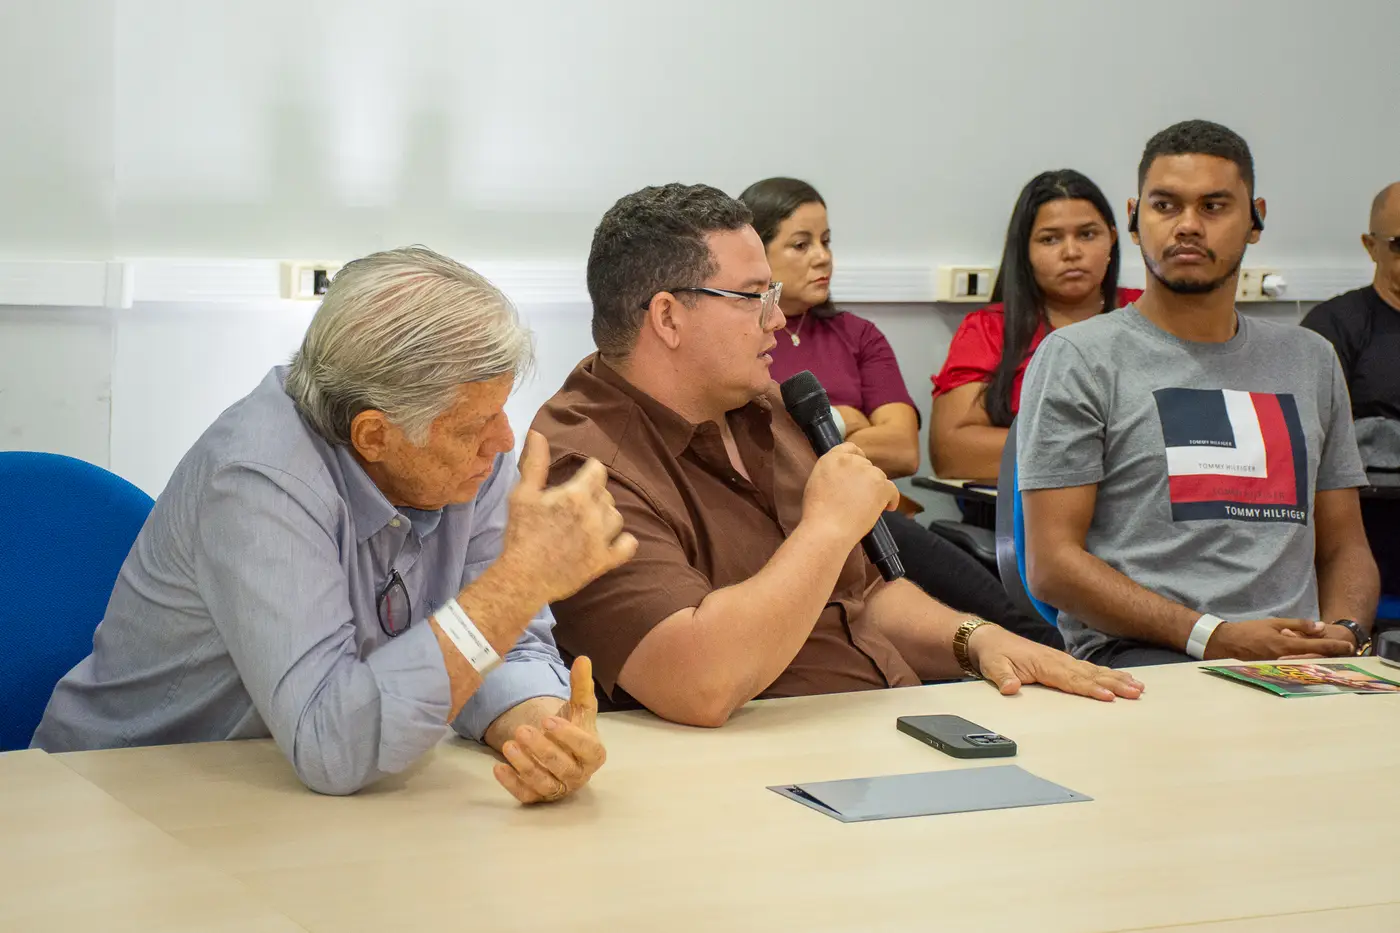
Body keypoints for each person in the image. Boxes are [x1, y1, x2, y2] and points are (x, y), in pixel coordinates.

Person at [531, 183, 1143, 727]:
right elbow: (700, 684)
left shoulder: (767, 407)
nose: (777, 320)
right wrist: (827, 526)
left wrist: (977, 641)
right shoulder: (583, 466)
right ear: (668, 317)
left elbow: (867, 595)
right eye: (752, 296)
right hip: (761, 772)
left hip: (885, 721)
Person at [33, 247, 633, 801]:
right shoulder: (258, 480)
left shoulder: (465, 460)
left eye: (501, 409)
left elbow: (504, 642)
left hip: (278, 795)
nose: (503, 440)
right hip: (116, 792)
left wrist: (540, 730)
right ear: (374, 435)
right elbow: (333, 742)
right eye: (474, 425)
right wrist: (520, 583)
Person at [1017, 119, 1380, 669]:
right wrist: (1214, 637)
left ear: (1255, 219)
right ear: (1134, 219)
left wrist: (1345, 633)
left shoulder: (1311, 360)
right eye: (1165, 206)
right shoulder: (1078, 357)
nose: (1187, 226)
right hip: (1145, 654)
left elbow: (1345, 546)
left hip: (1298, 660)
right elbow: (1052, 566)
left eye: (1213, 206)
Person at [738, 176, 1062, 649]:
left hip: (875, 516)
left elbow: (903, 450)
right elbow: (756, 454)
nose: (823, 257)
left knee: (987, 603)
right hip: (782, 527)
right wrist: (847, 419)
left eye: (827, 241)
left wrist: (817, 432)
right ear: (758, 254)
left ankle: (1050, 653)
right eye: (801, 244)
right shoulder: (741, 341)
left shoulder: (858, 335)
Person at [931, 169, 1141, 483]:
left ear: (1111, 238)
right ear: (1025, 250)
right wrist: (1099, 450)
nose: (1071, 252)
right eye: (1050, 239)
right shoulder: (990, 329)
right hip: (1023, 508)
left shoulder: (1147, 312)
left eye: (1087, 234)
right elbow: (953, 453)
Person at [1301, 181, 1400, 599]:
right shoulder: (1331, 329)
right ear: (1370, 246)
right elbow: (1316, 446)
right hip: (1373, 534)